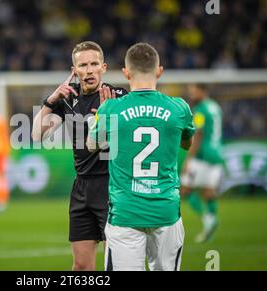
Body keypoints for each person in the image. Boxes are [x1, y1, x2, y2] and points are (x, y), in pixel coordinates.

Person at [87, 43, 195, 271]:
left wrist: (102, 117)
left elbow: (91, 145)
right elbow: (186, 143)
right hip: (166, 210)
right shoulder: (179, 108)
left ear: (126, 73)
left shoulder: (111, 108)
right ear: (159, 71)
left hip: (125, 212)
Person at [31, 41, 128, 271]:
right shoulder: (67, 100)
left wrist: (109, 114)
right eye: (83, 65)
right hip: (82, 190)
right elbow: (36, 135)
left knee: (117, 265)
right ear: (75, 71)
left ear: (103, 67)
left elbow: (129, 140)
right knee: (82, 266)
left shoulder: (118, 96)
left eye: (94, 64)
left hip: (111, 187)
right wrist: (51, 99)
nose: (90, 69)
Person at [180, 84, 223, 243]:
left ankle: (208, 220)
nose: (191, 94)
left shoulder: (200, 111)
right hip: (216, 153)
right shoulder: (215, 107)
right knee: (209, 192)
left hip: (202, 156)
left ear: (203, 91)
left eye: (194, 91)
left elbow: (198, 134)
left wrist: (188, 159)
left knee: (185, 189)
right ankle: (211, 219)